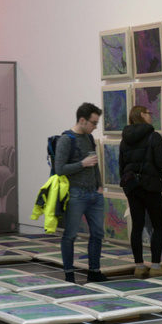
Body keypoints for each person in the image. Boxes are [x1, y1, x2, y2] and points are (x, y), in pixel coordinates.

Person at [53, 102, 106, 283]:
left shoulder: (89, 138)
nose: (95, 127)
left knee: (98, 233)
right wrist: (82, 164)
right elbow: (59, 168)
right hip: (76, 194)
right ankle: (69, 274)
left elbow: (94, 164)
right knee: (70, 235)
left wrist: (99, 186)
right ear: (82, 120)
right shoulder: (66, 139)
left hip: (94, 194)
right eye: (93, 123)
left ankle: (94, 271)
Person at [120, 104, 162, 278]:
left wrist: (127, 186)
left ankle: (139, 266)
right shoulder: (153, 137)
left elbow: (122, 166)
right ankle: (155, 266)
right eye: (149, 113)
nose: (151, 116)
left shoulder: (125, 138)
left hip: (132, 187)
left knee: (137, 226)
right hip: (151, 186)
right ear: (142, 115)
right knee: (158, 225)